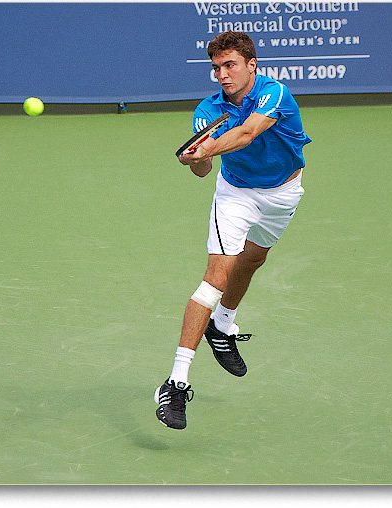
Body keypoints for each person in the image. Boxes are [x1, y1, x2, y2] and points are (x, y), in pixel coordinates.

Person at [154, 31, 311, 429]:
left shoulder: (274, 93)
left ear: (251, 65)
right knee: (215, 279)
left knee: (253, 259)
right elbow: (203, 170)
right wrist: (197, 159)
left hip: (284, 193)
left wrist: (207, 148)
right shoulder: (208, 111)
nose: (222, 75)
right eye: (216, 68)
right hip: (236, 194)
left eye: (230, 65)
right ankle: (175, 382)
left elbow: (247, 133)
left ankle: (221, 325)